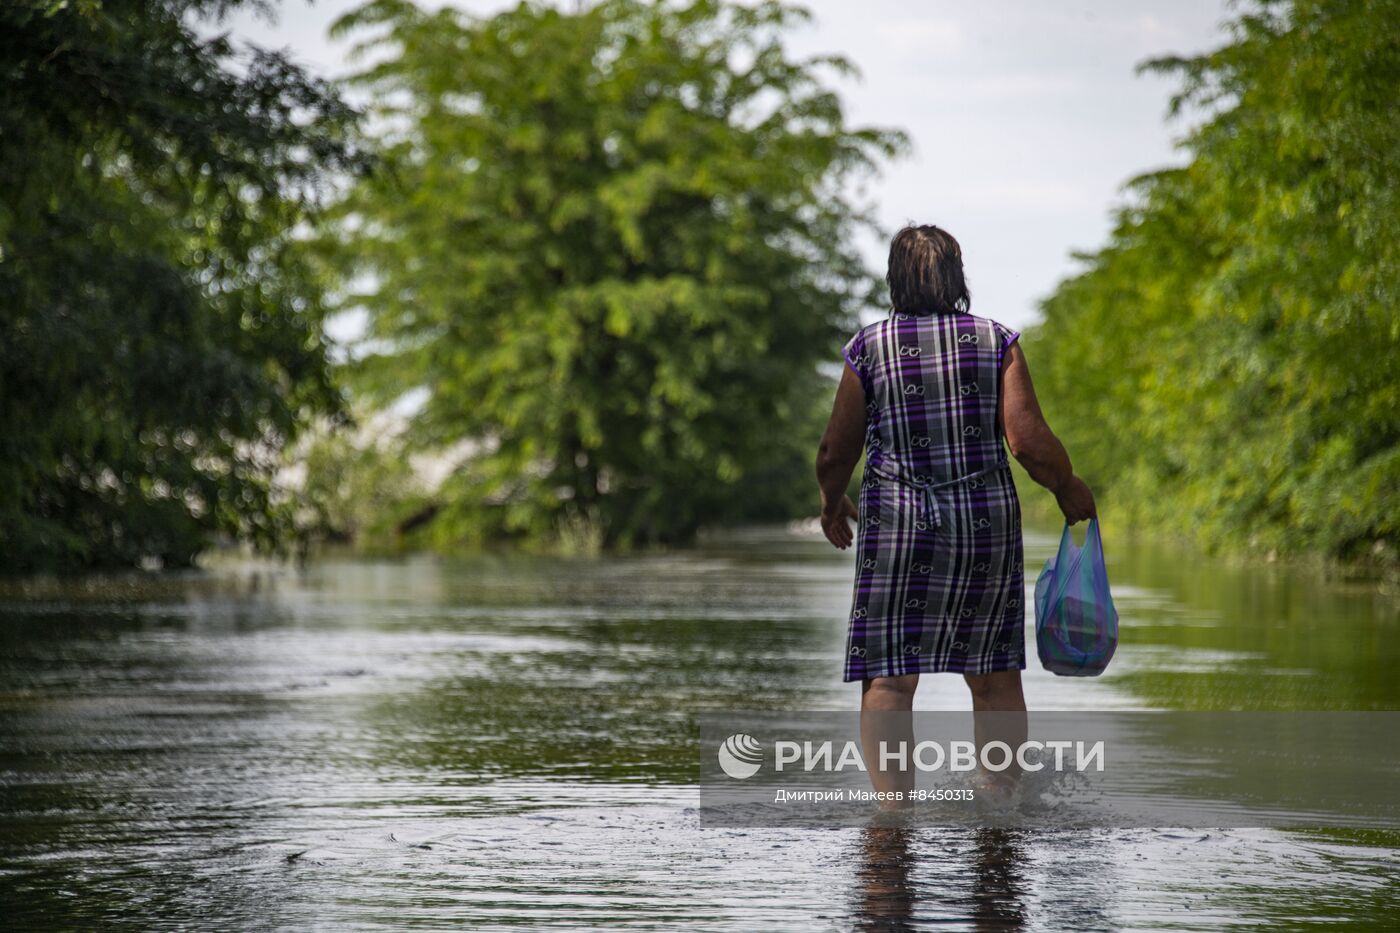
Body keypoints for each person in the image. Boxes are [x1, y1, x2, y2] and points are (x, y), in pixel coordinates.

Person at [815, 224, 1095, 797]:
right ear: (956, 276)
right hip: (983, 526)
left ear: (895, 279)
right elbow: (1027, 442)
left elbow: (835, 452)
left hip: (896, 527)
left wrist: (831, 502)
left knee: (890, 680)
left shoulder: (868, 347)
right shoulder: (996, 341)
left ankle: (893, 817)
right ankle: (999, 811)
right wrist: (1067, 488)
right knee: (993, 676)